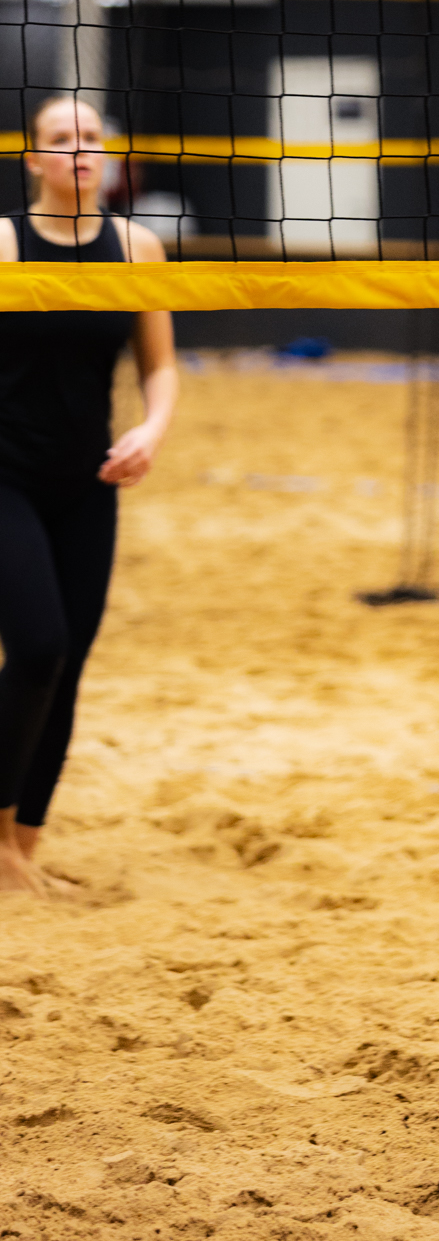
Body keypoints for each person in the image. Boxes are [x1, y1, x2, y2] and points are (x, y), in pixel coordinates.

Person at [0, 96, 178, 897]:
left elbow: (159, 365)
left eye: (91, 137)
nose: (80, 149)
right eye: (61, 138)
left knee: (66, 666)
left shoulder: (137, 246)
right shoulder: (4, 243)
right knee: (37, 649)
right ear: (33, 158)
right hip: (5, 476)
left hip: (89, 480)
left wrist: (152, 430)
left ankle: (21, 852)